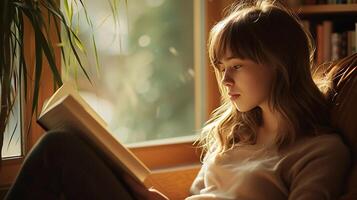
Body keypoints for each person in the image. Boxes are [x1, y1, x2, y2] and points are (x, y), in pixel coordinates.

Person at [5, 0, 351, 199]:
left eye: (237, 66)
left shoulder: (319, 151)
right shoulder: (235, 135)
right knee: (60, 145)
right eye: (220, 67)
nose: (225, 79)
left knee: (58, 151)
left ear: (278, 64)